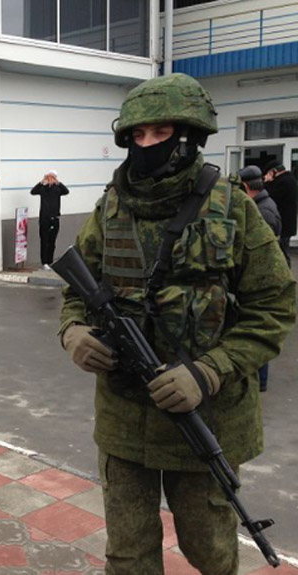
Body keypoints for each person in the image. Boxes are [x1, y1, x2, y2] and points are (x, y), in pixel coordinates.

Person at [58, 74, 296, 575]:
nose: (146, 145)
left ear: (188, 137)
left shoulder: (233, 207)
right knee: (128, 555)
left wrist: (209, 370)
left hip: (205, 417)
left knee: (208, 550)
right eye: (137, 135)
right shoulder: (111, 207)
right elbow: (76, 290)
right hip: (124, 417)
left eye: (160, 133)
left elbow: (274, 306)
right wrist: (73, 332)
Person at [238, 164, 282, 392]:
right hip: (262, 278)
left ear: (247, 187)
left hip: (262, 280)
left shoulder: (262, 212)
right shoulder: (263, 205)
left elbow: (262, 253)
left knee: (257, 329)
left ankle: (260, 382)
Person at [30, 169, 69, 269]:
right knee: (44, 240)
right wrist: (42, 181)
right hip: (44, 219)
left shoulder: (58, 189)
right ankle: (44, 262)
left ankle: (50, 261)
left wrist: (58, 182)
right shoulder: (43, 188)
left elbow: (66, 191)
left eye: (52, 177)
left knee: (52, 241)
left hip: (55, 218)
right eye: (49, 177)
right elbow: (33, 191)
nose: (50, 179)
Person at [263, 159, 297, 267]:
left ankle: (285, 274)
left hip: (283, 226)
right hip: (287, 225)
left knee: (281, 254)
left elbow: (270, 197)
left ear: (273, 172)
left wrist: (266, 183)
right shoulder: (290, 179)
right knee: (283, 252)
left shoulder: (283, 182)